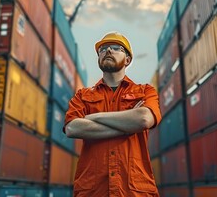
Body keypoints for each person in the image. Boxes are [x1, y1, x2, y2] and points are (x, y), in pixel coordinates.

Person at [64, 31, 162, 197]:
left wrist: (94, 117)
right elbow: (72, 128)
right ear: (98, 59)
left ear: (128, 60)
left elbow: (144, 119)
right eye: (103, 49)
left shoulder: (145, 91)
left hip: (134, 191)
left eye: (116, 48)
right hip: (93, 191)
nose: (108, 51)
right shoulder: (83, 95)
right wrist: (129, 125)